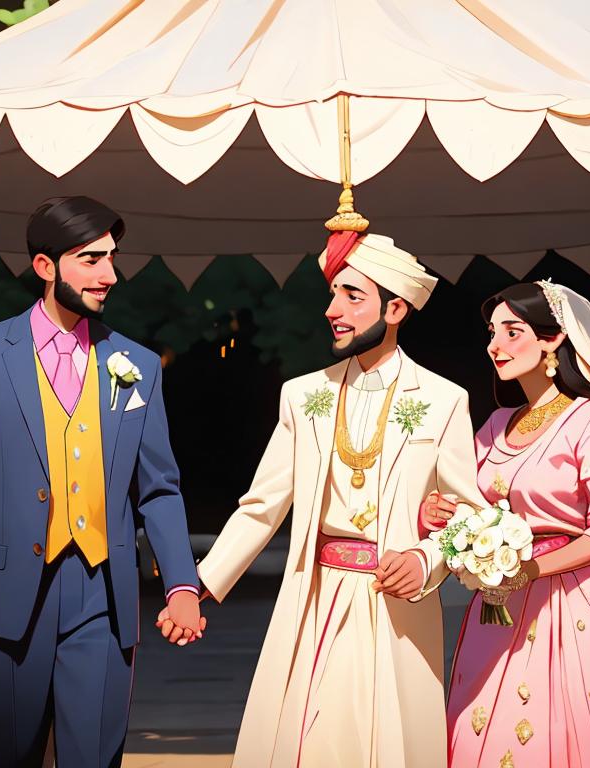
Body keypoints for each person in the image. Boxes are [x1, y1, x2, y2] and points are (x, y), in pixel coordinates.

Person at [160, 230, 485, 766]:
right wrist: (198, 587)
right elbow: (262, 506)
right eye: (333, 294)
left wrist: (426, 558)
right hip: (315, 599)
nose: (333, 310)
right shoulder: (303, 394)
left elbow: (468, 510)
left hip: (396, 604)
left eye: (353, 296)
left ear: (396, 307)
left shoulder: (444, 400)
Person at [0, 196, 203, 768]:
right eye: (90, 259)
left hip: (101, 597)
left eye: (111, 259)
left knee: (96, 759)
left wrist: (181, 586)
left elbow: (160, 489)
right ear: (46, 267)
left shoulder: (137, 364)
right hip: (4, 603)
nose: (109, 275)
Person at [422, 281, 590, 768]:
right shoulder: (495, 424)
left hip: (568, 605)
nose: (495, 345)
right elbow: (465, 505)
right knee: (476, 740)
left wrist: (531, 570)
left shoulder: (589, 419)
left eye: (512, 332)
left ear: (553, 339)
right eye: (491, 333)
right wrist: (438, 512)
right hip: (494, 608)